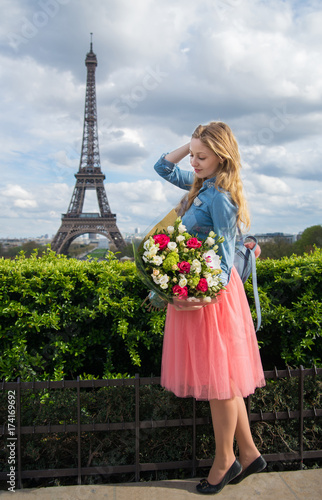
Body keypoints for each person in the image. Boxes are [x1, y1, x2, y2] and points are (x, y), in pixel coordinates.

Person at [153, 121, 267, 495]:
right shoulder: (200, 186)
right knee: (224, 379)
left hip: (213, 296)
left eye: (203, 156)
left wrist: (200, 294)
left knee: (221, 384)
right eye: (194, 155)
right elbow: (162, 167)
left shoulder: (219, 198)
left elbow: (223, 257)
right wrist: (191, 147)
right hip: (204, 293)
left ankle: (225, 461)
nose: (195, 162)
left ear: (221, 156)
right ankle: (248, 454)